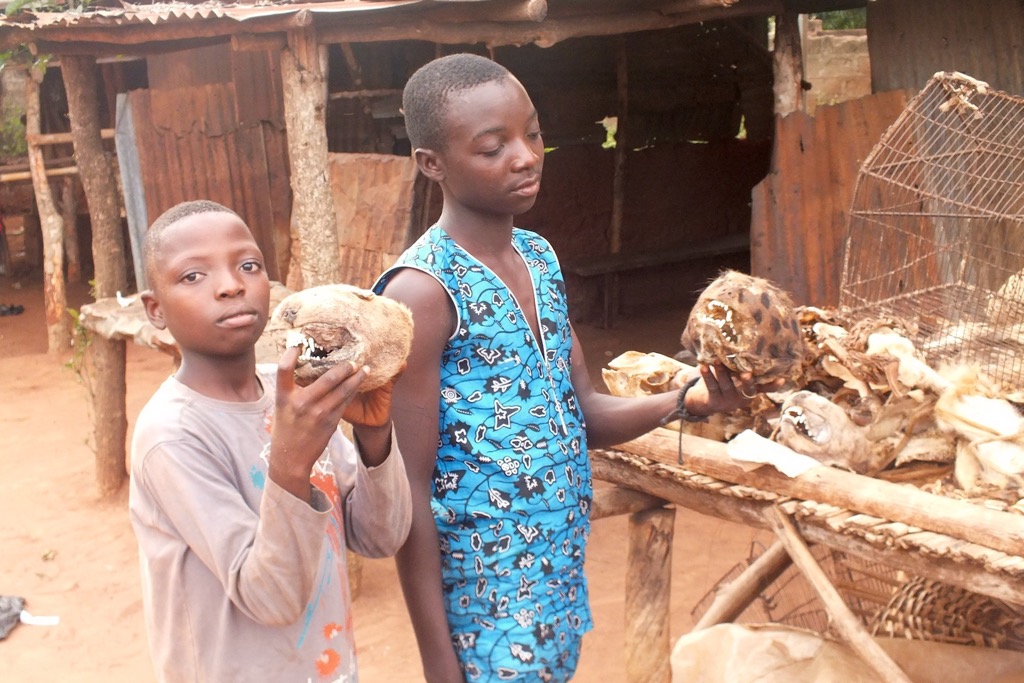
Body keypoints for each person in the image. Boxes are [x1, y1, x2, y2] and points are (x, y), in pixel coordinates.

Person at [373, 53, 768, 682]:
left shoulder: (538, 259)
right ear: (432, 164)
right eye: (492, 147)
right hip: (481, 604)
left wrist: (685, 400)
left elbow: (580, 409)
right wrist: (438, 664)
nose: (526, 156)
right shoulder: (421, 292)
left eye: (532, 133)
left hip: (555, 582)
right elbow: (408, 491)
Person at [129, 200, 412, 683]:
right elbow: (270, 597)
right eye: (193, 276)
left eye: (248, 265)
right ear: (155, 309)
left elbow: (379, 536)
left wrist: (374, 436)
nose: (231, 285)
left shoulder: (291, 393)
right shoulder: (171, 435)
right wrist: (289, 464)